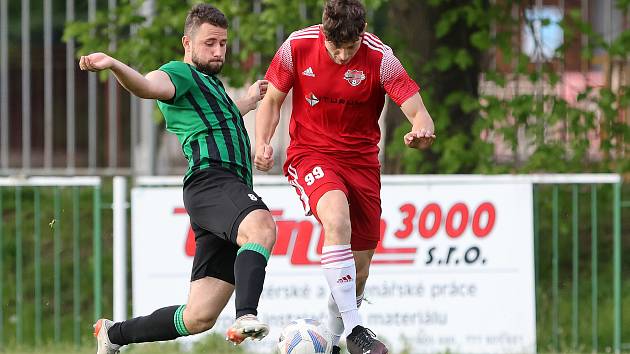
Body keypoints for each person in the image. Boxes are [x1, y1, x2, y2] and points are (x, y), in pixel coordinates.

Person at [79, 4, 276, 354]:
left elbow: (223, 119)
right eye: (209, 43)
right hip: (212, 181)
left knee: (199, 317)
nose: (218, 51)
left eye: (223, 44)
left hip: (225, 191)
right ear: (188, 42)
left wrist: (246, 102)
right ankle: (246, 315)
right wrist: (113, 65)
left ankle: (113, 334)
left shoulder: (211, 87)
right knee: (261, 227)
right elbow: (145, 85)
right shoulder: (179, 73)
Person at [254, 0, 435, 353]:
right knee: (336, 217)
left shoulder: (381, 58)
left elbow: (419, 112)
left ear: (362, 35)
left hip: (363, 165)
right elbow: (273, 100)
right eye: (333, 46)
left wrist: (422, 131)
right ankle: (356, 329)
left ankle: (334, 343)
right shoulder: (296, 47)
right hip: (311, 155)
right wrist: (261, 142)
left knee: (360, 270)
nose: (340, 55)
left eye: (349, 48)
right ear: (323, 33)